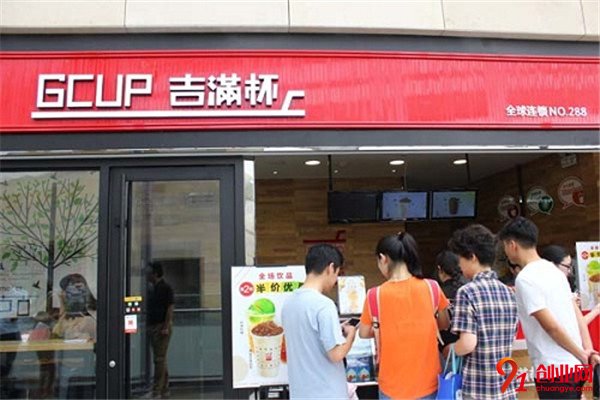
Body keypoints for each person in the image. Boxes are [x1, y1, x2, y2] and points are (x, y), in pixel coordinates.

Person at [498, 217, 599, 399]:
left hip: (553, 369)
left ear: (512, 245)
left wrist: (583, 354)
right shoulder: (555, 271)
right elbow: (576, 314)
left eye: (505, 245)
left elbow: (550, 326)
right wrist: (587, 351)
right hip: (574, 366)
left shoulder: (525, 279)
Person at [359, 232, 450, 400]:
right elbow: (444, 323)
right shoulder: (432, 287)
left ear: (383, 259)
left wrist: (385, 327)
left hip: (391, 387)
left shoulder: (374, 295)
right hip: (429, 383)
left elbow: (363, 332)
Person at [447, 224, 518, 400]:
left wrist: (451, 349)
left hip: (478, 389)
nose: (459, 265)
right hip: (506, 388)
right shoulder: (508, 292)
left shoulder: (467, 292)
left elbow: (468, 344)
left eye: (460, 259)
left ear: (472, 257)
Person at [281, 244, 356, 399]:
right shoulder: (324, 305)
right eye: (337, 273)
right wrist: (351, 336)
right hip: (327, 393)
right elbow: (336, 354)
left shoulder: (288, 303)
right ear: (330, 268)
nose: (335, 281)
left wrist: (336, 329)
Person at [145, 262, 175, 399]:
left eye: (149, 273)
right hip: (154, 326)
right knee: (160, 359)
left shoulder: (165, 288)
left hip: (161, 326)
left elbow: (170, 307)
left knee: (159, 359)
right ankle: (164, 389)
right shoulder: (152, 288)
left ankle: (157, 390)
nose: (147, 276)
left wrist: (166, 326)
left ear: (155, 274)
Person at [435, 250, 467, 354]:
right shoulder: (466, 290)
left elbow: (440, 325)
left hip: (445, 348)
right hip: (466, 345)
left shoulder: (438, 292)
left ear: (440, 269)